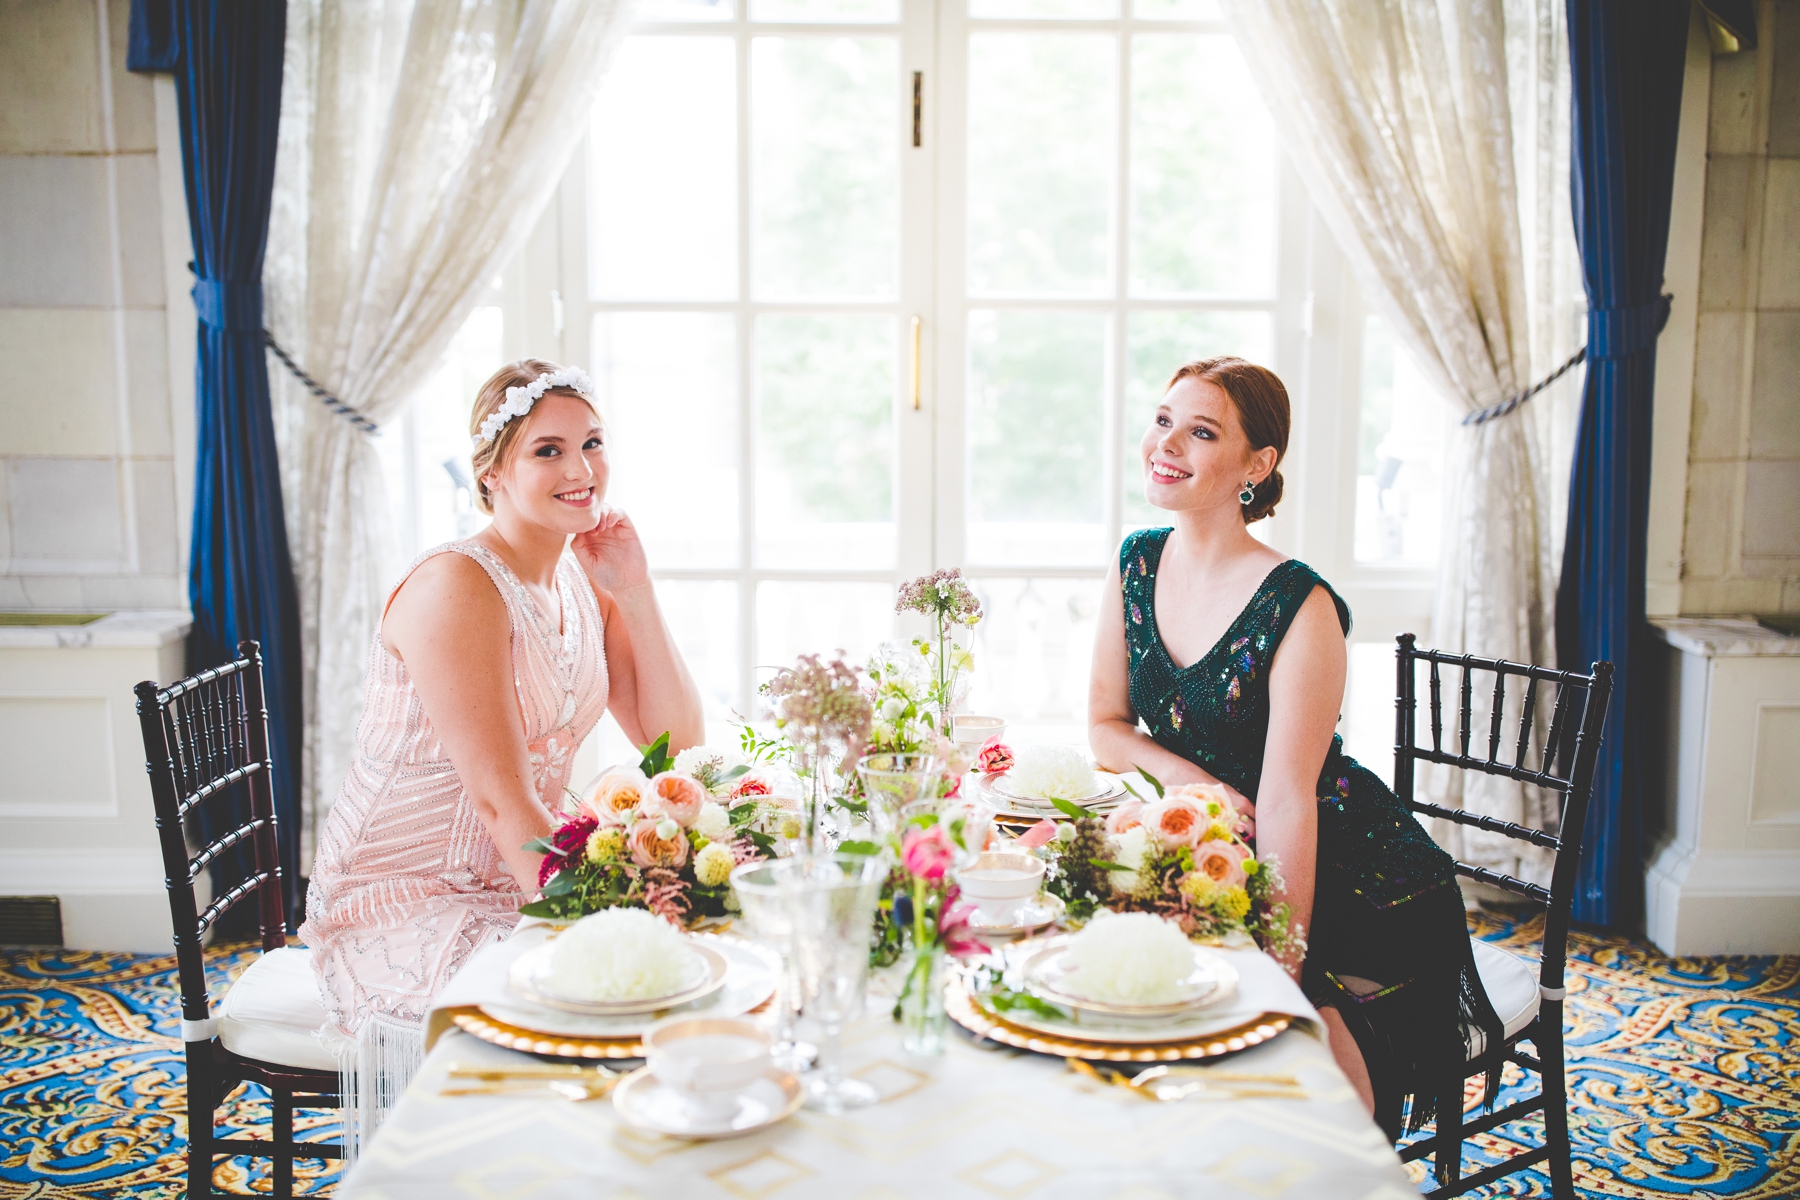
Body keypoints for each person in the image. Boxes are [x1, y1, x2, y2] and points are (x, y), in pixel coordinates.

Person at [1087, 355, 1500, 1139]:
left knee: (1295, 1047)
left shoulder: (1301, 605)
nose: (1165, 444)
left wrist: (1286, 958)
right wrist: (1194, 784)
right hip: (1225, 841)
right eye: (1163, 419)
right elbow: (1105, 728)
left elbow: (1285, 799)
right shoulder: (1137, 562)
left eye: (1201, 431)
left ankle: (1339, 1168)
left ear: (1257, 464)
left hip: (1351, 871)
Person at [301, 358, 704, 1139]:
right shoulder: (457, 585)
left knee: (674, 955)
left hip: (508, 874)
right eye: (547, 451)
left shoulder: (580, 577)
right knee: (597, 998)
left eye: (592, 443)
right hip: (405, 899)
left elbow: (675, 741)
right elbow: (500, 800)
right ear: (492, 472)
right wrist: (591, 923)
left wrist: (634, 586)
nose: (582, 469)